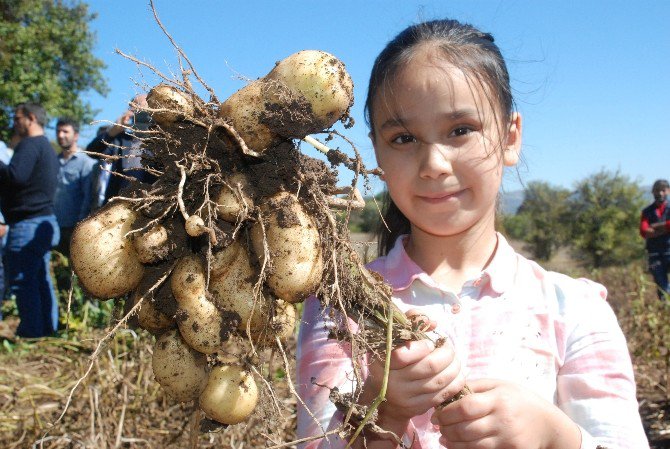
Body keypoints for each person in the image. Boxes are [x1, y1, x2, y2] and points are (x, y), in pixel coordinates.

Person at [296, 19, 648, 449]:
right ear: (377, 154)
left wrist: (555, 436)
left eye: (460, 130)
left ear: (510, 137)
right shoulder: (339, 308)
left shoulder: (573, 310)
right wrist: (380, 410)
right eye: (403, 137)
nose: (434, 164)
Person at [0, 103, 60, 338]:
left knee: (24, 281)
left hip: (27, 223)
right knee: (40, 280)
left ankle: (31, 333)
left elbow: (16, 176)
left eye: (17, 118)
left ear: (31, 118)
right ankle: (47, 330)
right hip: (42, 220)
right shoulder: (45, 147)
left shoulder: (29, 145)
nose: (14, 123)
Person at [86, 94, 156, 204]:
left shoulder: (162, 142)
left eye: (141, 107)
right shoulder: (121, 140)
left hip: (150, 205)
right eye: (133, 107)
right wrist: (113, 131)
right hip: (117, 206)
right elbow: (92, 152)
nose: (136, 111)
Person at [53, 118, 96, 258]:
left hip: (74, 230)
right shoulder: (53, 162)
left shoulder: (87, 164)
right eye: (58, 131)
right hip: (53, 227)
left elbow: (88, 198)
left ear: (76, 135)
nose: (60, 135)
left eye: (65, 131)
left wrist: (80, 228)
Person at [640, 179, 670, 300]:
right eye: (657, 190)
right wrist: (666, 228)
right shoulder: (647, 211)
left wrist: (657, 226)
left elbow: (650, 230)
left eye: (663, 190)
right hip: (655, 254)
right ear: (653, 192)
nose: (660, 193)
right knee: (662, 287)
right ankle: (666, 311)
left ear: (668, 191)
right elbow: (644, 231)